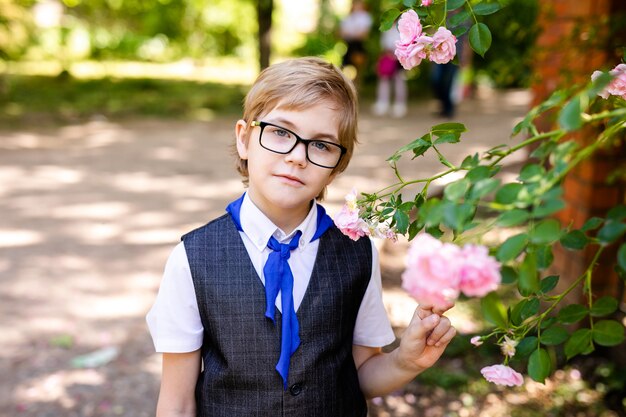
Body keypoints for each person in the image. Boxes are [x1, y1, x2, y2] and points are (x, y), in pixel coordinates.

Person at [146, 57, 456, 417]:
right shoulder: (193, 258)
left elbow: (360, 375)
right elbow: (177, 402)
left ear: (337, 167)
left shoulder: (356, 253)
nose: (297, 157)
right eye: (280, 132)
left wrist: (406, 361)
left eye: (322, 145)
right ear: (245, 139)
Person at [372, 23, 408, 118]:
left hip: (400, 57)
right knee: (384, 80)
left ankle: (399, 104)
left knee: (399, 81)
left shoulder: (402, 29)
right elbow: (384, 45)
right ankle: (383, 103)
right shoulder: (386, 30)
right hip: (388, 58)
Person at [339, 0, 373, 87]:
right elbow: (341, 33)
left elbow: (363, 35)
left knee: (358, 70)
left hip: (358, 46)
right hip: (349, 46)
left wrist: (350, 33)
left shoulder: (365, 17)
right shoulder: (348, 17)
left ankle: (356, 90)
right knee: (344, 68)